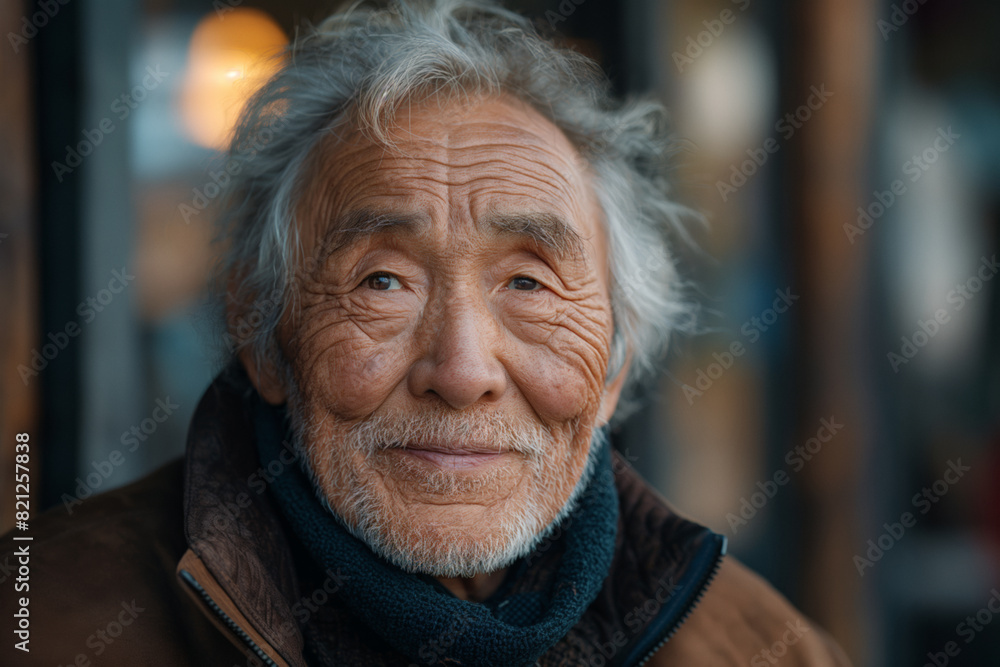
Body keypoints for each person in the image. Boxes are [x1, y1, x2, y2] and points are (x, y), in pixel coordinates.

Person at [2, 1, 851, 664]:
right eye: (383, 281)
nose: (462, 368)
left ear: (617, 364)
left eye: (527, 282)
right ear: (262, 335)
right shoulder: (44, 622)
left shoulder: (768, 650)